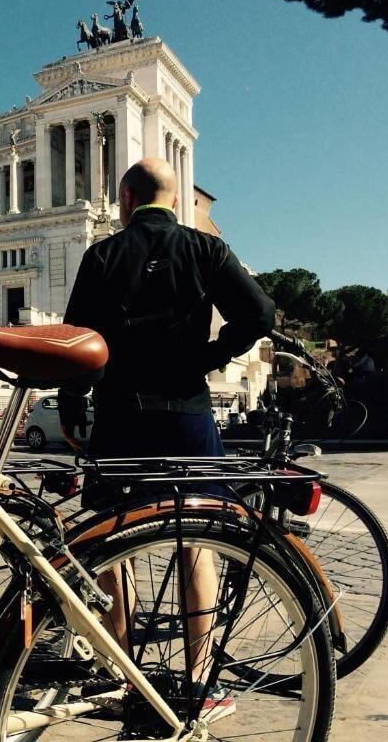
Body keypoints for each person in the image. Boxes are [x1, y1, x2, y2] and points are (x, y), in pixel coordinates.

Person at [61, 157, 275, 717]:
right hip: (186, 410)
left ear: (127, 199)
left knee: (114, 544)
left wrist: (70, 406)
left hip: (120, 413)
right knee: (194, 542)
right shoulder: (205, 249)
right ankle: (199, 681)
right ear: (174, 202)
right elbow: (260, 312)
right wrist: (211, 354)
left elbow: (76, 341)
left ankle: (126, 678)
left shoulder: (102, 254)